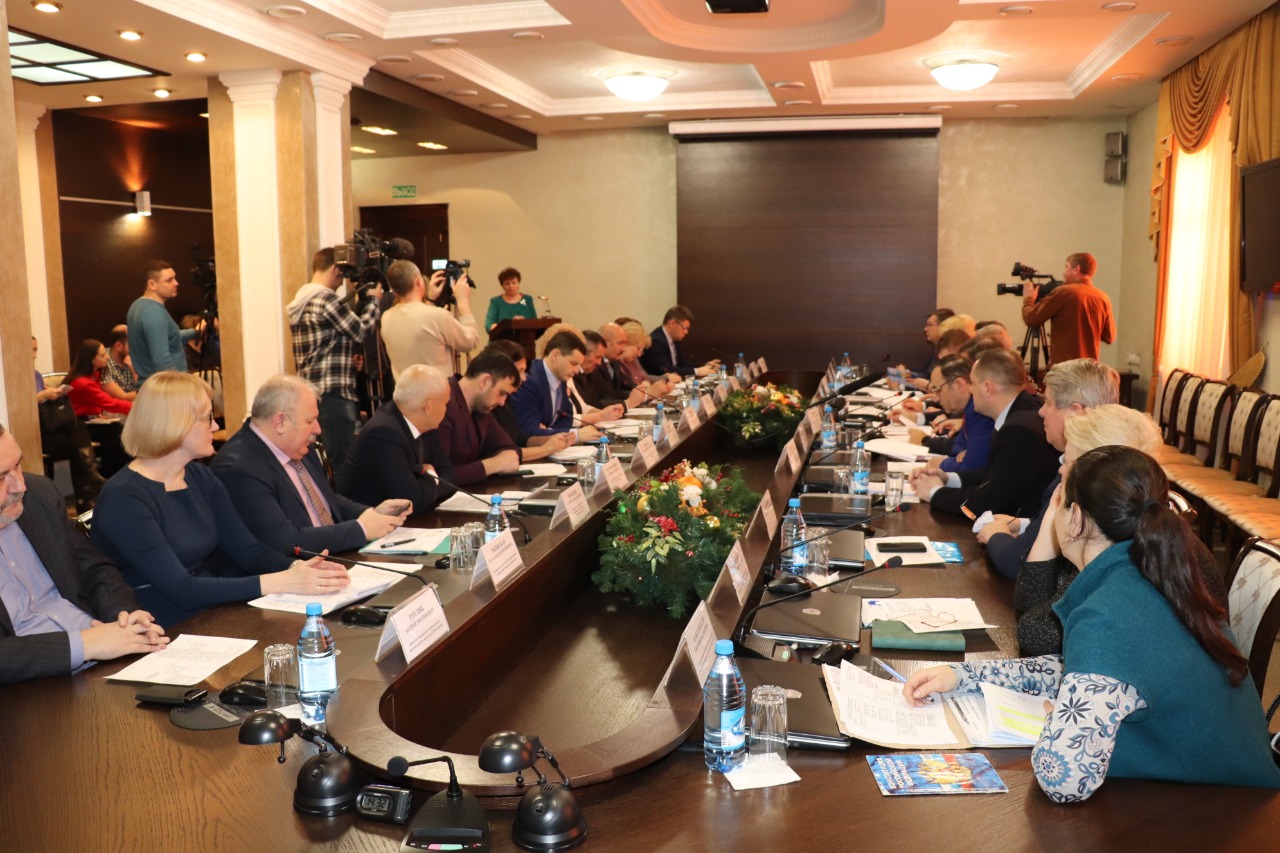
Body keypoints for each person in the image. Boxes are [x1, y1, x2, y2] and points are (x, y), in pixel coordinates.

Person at [904, 446, 1280, 801]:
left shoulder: (1107, 611)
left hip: (1223, 807)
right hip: (1226, 783)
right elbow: (1078, 669)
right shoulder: (1155, 570)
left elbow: (1062, 781)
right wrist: (965, 677)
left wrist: (1059, 721)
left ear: (1076, 517)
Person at [90, 372, 349, 627]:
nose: (215, 426)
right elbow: (182, 589)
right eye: (208, 418)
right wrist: (281, 581)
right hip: (159, 626)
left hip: (212, 610)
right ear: (176, 424)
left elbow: (247, 550)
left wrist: (298, 568)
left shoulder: (199, 476)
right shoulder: (124, 498)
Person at [0, 422, 168, 685]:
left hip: (106, 659)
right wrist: (85, 644)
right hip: (36, 686)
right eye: (1, 478)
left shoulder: (40, 495)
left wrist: (123, 616)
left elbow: (96, 569)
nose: (19, 485)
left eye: (18, 465)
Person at [1011, 404, 1163, 655]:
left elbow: (1036, 635)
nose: (1060, 468)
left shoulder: (1109, 542)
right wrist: (1053, 517)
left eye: (1068, 461)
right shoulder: (1120, 525)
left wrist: (1058, 515)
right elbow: (1029, 606)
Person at [211, 375, 411, 555]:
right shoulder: (240, 469)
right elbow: (282, 541)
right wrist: (362, 529)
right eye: (310, 421)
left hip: (335, 557)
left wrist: (371, 514)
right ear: (280, 422)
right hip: (295, 572)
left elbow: (325, 499)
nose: (318, 429)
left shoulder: (297, 446)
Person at [976, 358, 1119, 581]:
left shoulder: (1082, 476)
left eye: (1048, 403)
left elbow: (1019, 565)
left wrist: (996, 535)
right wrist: (1022, 524)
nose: (1041, 412)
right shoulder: (1108, 462)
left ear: (1075, 413)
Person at [913, 348, 1059, 518]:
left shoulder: (1019, 429)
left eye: (973, 383)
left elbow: (985, 503)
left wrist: (934, 492)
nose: (970, 390)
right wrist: (948, 478)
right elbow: (992, 475)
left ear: (988, 388)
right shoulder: (1018, 412)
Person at [287, 247, 383, 470]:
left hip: (314, 394)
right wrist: (373, 301)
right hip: (334, 396)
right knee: (341, 465)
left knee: (324, 464)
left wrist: (347, 361)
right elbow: (360, 330)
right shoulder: (325, 298)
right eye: (342, 275)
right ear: (334, 269)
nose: (341, 283)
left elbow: (321, 346)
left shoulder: (302, 300)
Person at [336, 364, 458, 513]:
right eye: (445, 403)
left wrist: (425, 484)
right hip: (368, 524)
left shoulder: (424, 426)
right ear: (429, 407)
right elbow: (414, 501)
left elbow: (450, 477)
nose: (446, 409)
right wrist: (432, 475)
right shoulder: (383, 434)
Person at [33, 338, 107, 510]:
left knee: (78, 431)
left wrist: (51, 393)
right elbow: (21, 407)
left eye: (36, 349)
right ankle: (86, 494)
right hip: (36, 432)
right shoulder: (14, 376)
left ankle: (86, 493)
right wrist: (44, 395)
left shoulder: (35, 374)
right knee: (78, 446)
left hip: (51, 424)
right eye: (32, 350)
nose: (35, 355)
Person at [381, 259, 479, 378]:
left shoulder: (386, 317)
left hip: (404, 388)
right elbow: (470, 341)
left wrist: (430, 299)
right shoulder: (438, 316)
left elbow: (416, 322)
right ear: (418, 281)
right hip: (436, 389)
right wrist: (463, 301)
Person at [437, 351, 522, 486]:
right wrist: (493, 465)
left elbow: (508, 449)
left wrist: (499, 461)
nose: (502, 402)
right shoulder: (442, 403)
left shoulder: (481, 407)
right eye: (502, 393)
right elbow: (439, 477)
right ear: (484, 381)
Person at [483, 340, 576, 462]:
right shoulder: (485, 404)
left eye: (524, 372)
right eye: (519, 371)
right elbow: (502, 453)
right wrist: (545, 449)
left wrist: (553, 438)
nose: (524, 378)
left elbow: (522, 439)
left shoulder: (507, 399)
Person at [1021, 252, 1116, 365]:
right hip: (1089, 369)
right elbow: (1109, 336)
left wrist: (1029, 298)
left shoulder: (1063, 292)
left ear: (1076, 269)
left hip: (1065, 369)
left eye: (1066, 267)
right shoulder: (1103, 298)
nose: (1063, 272)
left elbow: (1031, 318)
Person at [508, 330, 603, 441]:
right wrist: (575, 435)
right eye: (574, 363)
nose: (577, 370)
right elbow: (529, 431)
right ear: (556, 355)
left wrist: (548, 430)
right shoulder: (530, 381)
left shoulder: (560, 376)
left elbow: (565, 418)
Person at [911, 355, 993, 476]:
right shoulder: (969, 409)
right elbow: (957, 450)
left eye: (938, 390)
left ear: (960, 385)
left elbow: (971, 467)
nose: (936, 398)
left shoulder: (980, 411)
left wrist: (943, 464)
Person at [127, 260, 201, 384]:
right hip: (164, 389)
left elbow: (171, 337)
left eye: (174, 278)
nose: (176, 283)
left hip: (154, 387)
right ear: (152, 284)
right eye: (169, 280)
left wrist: (197, 331)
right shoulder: (153, 313)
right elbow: (162, 360)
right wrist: (180, 385)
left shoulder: (139, 305)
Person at [639, 306, 719, 378]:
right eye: (684, 328)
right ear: (672, 323)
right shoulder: (655, 341)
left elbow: (683, 365)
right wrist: (697, 371)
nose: (686, 332)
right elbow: (666, 369)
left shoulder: (675, 339)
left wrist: (704, 366)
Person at [65, 339, 133, 418]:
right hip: (80, 420)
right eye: (102, 355)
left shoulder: (96, 374)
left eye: (106, 353)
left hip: (91, 416)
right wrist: (134, 407)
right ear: (92, 360)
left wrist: (98, 412)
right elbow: (110, 403)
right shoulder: (82, 383)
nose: (108, 357)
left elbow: (95, 402)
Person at [485, 266, 537, 332]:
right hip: (502, 337)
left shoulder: (527, 300)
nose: (511, 286)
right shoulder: (496, 302)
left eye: (514, 283)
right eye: (507, 284)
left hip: (525, 337)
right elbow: (489, 325)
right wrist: (505, 326)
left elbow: (535, 323)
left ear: (519, 283)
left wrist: (523, 322)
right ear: (502, 286)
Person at [101, 327, 138, 402]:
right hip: (116, 407)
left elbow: (142, 386)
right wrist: (148, 393)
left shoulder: (133, 356)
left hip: (136, 403)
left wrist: (134, 372)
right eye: (131, 343)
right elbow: (123, 397)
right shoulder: (103, 361)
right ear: (119, 346)